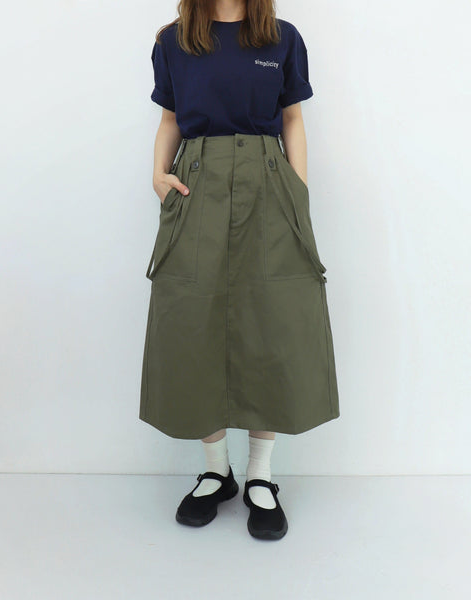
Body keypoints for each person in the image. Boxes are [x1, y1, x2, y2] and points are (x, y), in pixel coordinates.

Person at [139, 0, 340, 541]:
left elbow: (293, 118)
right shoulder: (174, 40)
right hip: (195, 183)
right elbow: (170, 119)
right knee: (193, 318)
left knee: (268, 320)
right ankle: (215, 471)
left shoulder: (281, 37)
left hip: (269, 182)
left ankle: (259, 476)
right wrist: (157, 174)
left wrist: (296, 192)